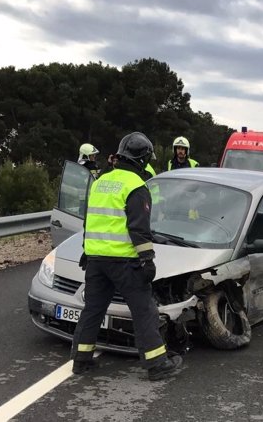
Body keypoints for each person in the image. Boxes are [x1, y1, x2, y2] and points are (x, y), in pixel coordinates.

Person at [71, 131, 183, 381]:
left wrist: (86, 251)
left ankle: (81, 360)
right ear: (142, 159)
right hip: (124, 262)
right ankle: (156, 364)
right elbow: (139, 228)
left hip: (96, 260)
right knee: (144, 311)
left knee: (93, 310)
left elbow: (91, 221)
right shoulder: (136, 186)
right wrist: (147, 260)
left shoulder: (99, 182)